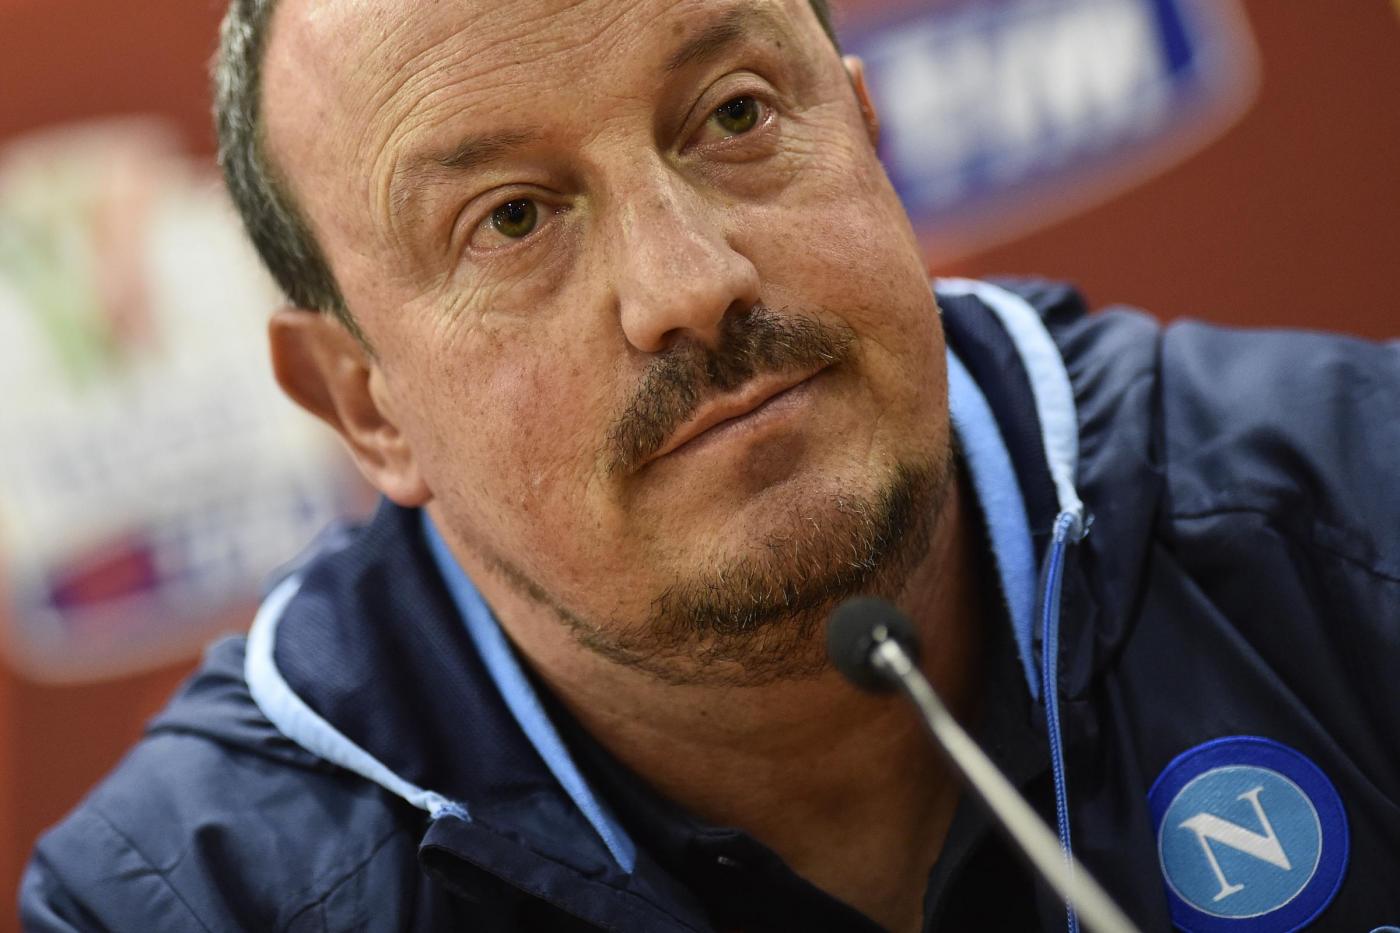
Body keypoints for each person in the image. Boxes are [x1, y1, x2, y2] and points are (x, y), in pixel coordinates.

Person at [20, 0, 1400, 929]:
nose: (687, 283)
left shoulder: (1358, 506)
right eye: (512, 219)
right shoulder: (197, 901)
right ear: (364, 402)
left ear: (866, 134)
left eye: (735, 117)